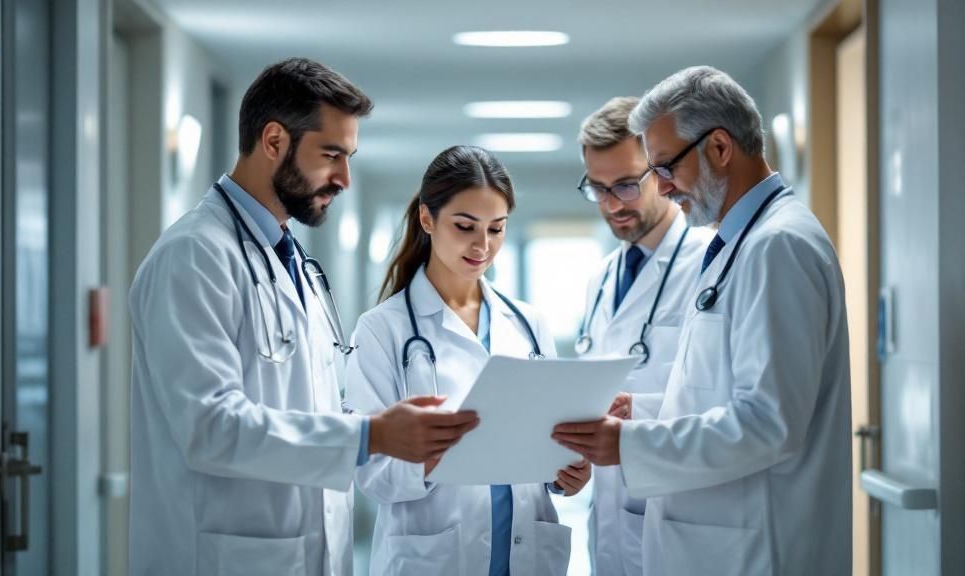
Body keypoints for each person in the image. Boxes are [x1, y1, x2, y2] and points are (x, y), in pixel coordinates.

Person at [128, 58, 479, 576]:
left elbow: (307, 409)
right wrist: (370, 436)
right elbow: (209, 427)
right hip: (222, 559)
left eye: (349, 156)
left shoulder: (295, 266)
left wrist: (388, 432)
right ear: (273, 141)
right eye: (331, 155)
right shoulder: (194, 256)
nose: (344, 178)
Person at [553, 66, 852, 575]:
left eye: (665, 167)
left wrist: (628, 443)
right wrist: (642, 413)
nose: (663, 188)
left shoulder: (778, 247)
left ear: (718, 148)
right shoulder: (740, 244)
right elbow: (726, 391)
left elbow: (769, 424)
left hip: (759, 548)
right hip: (718, 542)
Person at [344, 145, 589, 576]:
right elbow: (371, 472)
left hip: (527, 554)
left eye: (497, 229)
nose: (483, 245)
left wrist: (567, 472)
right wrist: (438, 456)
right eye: (465, 226)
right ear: (427, 219)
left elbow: (551, 444)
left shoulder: (529, 324)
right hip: (433, 559)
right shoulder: (382, 329)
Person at [574, 96, 712, 576]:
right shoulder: (601, 279)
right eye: (597, 189)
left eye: (627, 185)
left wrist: (639, 411)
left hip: (680, 522)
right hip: (611, 526)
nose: (612, 205)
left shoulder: (711, 263)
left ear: (662, 172)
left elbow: (732, 403)